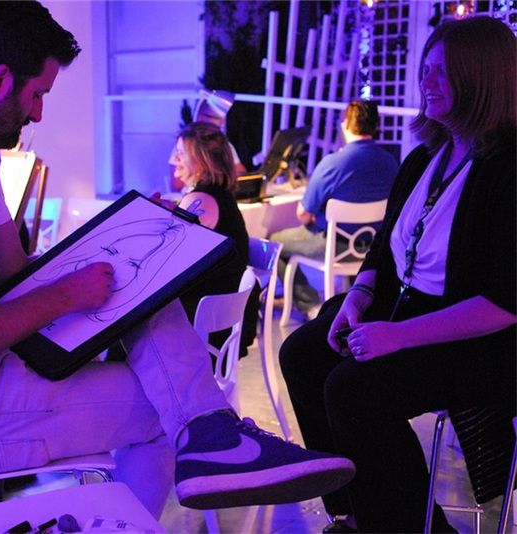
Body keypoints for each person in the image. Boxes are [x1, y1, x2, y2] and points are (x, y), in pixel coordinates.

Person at [0, 0, 355, 519]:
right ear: (0, 80)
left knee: (143, 301)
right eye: (37, 94)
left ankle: (212, 436)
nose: (38, 113)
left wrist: (125, 241)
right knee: (172, 411)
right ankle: (209, 441)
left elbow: (16, 272)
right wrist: (68, 293)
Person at [279, 16, 516, 533]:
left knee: (353, 390)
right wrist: (358, 298)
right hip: (401, 309)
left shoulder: (508, 170)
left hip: (475, 340)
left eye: (441, 71)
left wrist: (398, 336)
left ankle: (412, 526)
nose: (425, 82)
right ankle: (353, 513)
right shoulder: (423, 159)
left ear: (482, 77)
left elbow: (506, 302)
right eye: (425, 69)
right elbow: (384, 253)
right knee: (302, 354)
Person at [270, 100, 398, 320]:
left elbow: (303, 215)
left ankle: (311, 305)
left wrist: (316, 216)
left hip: (337, 246)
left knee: (274, 243)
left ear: (346, 124)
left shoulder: (332, 163)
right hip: (375, 248)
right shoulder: (390, 162)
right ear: (375, 125)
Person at [175, 121, 259, 355]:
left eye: (181, 153)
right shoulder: (220, 195)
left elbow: (173, 262)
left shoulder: (199, 200)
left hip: (209, 322)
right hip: (226, 313)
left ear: (201, 161)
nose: (176, 159)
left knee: (132, 321)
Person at [169, 90, 247, 192]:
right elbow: (176, 185)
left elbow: (241, 173)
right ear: (201, 117)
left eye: (220, 119)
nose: (220, 123)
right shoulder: (185, 144)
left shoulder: (222, 144)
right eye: (214, 118)